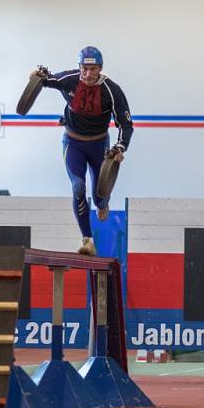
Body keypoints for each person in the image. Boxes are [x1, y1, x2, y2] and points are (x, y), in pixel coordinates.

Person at [32, 46, 133, 256]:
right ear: (79, 68)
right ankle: (87, 240)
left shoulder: (112, 91)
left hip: (99, 146)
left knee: (99, 198)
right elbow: (45, 80)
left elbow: (126, 124)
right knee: (78, 186)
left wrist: (120, 147)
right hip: (73, 143)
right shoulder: (68, 79)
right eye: (84, 69)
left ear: (101, 68)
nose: (88, 74)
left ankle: (103, 202)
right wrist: (35, 76)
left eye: (93, 69)